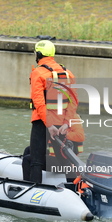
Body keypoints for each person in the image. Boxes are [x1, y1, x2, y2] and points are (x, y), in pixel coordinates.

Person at [24, 40, 78, 183]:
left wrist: (49, 125)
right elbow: (73, 101)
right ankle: (76, 188)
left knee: (36, 161)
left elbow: (39, 102)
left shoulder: (38, 73)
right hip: (62, 125)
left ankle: (34, 193)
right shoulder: (68, 73)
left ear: (39, 54)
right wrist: (66, 123)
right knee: (65, 159)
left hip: (42, 123)